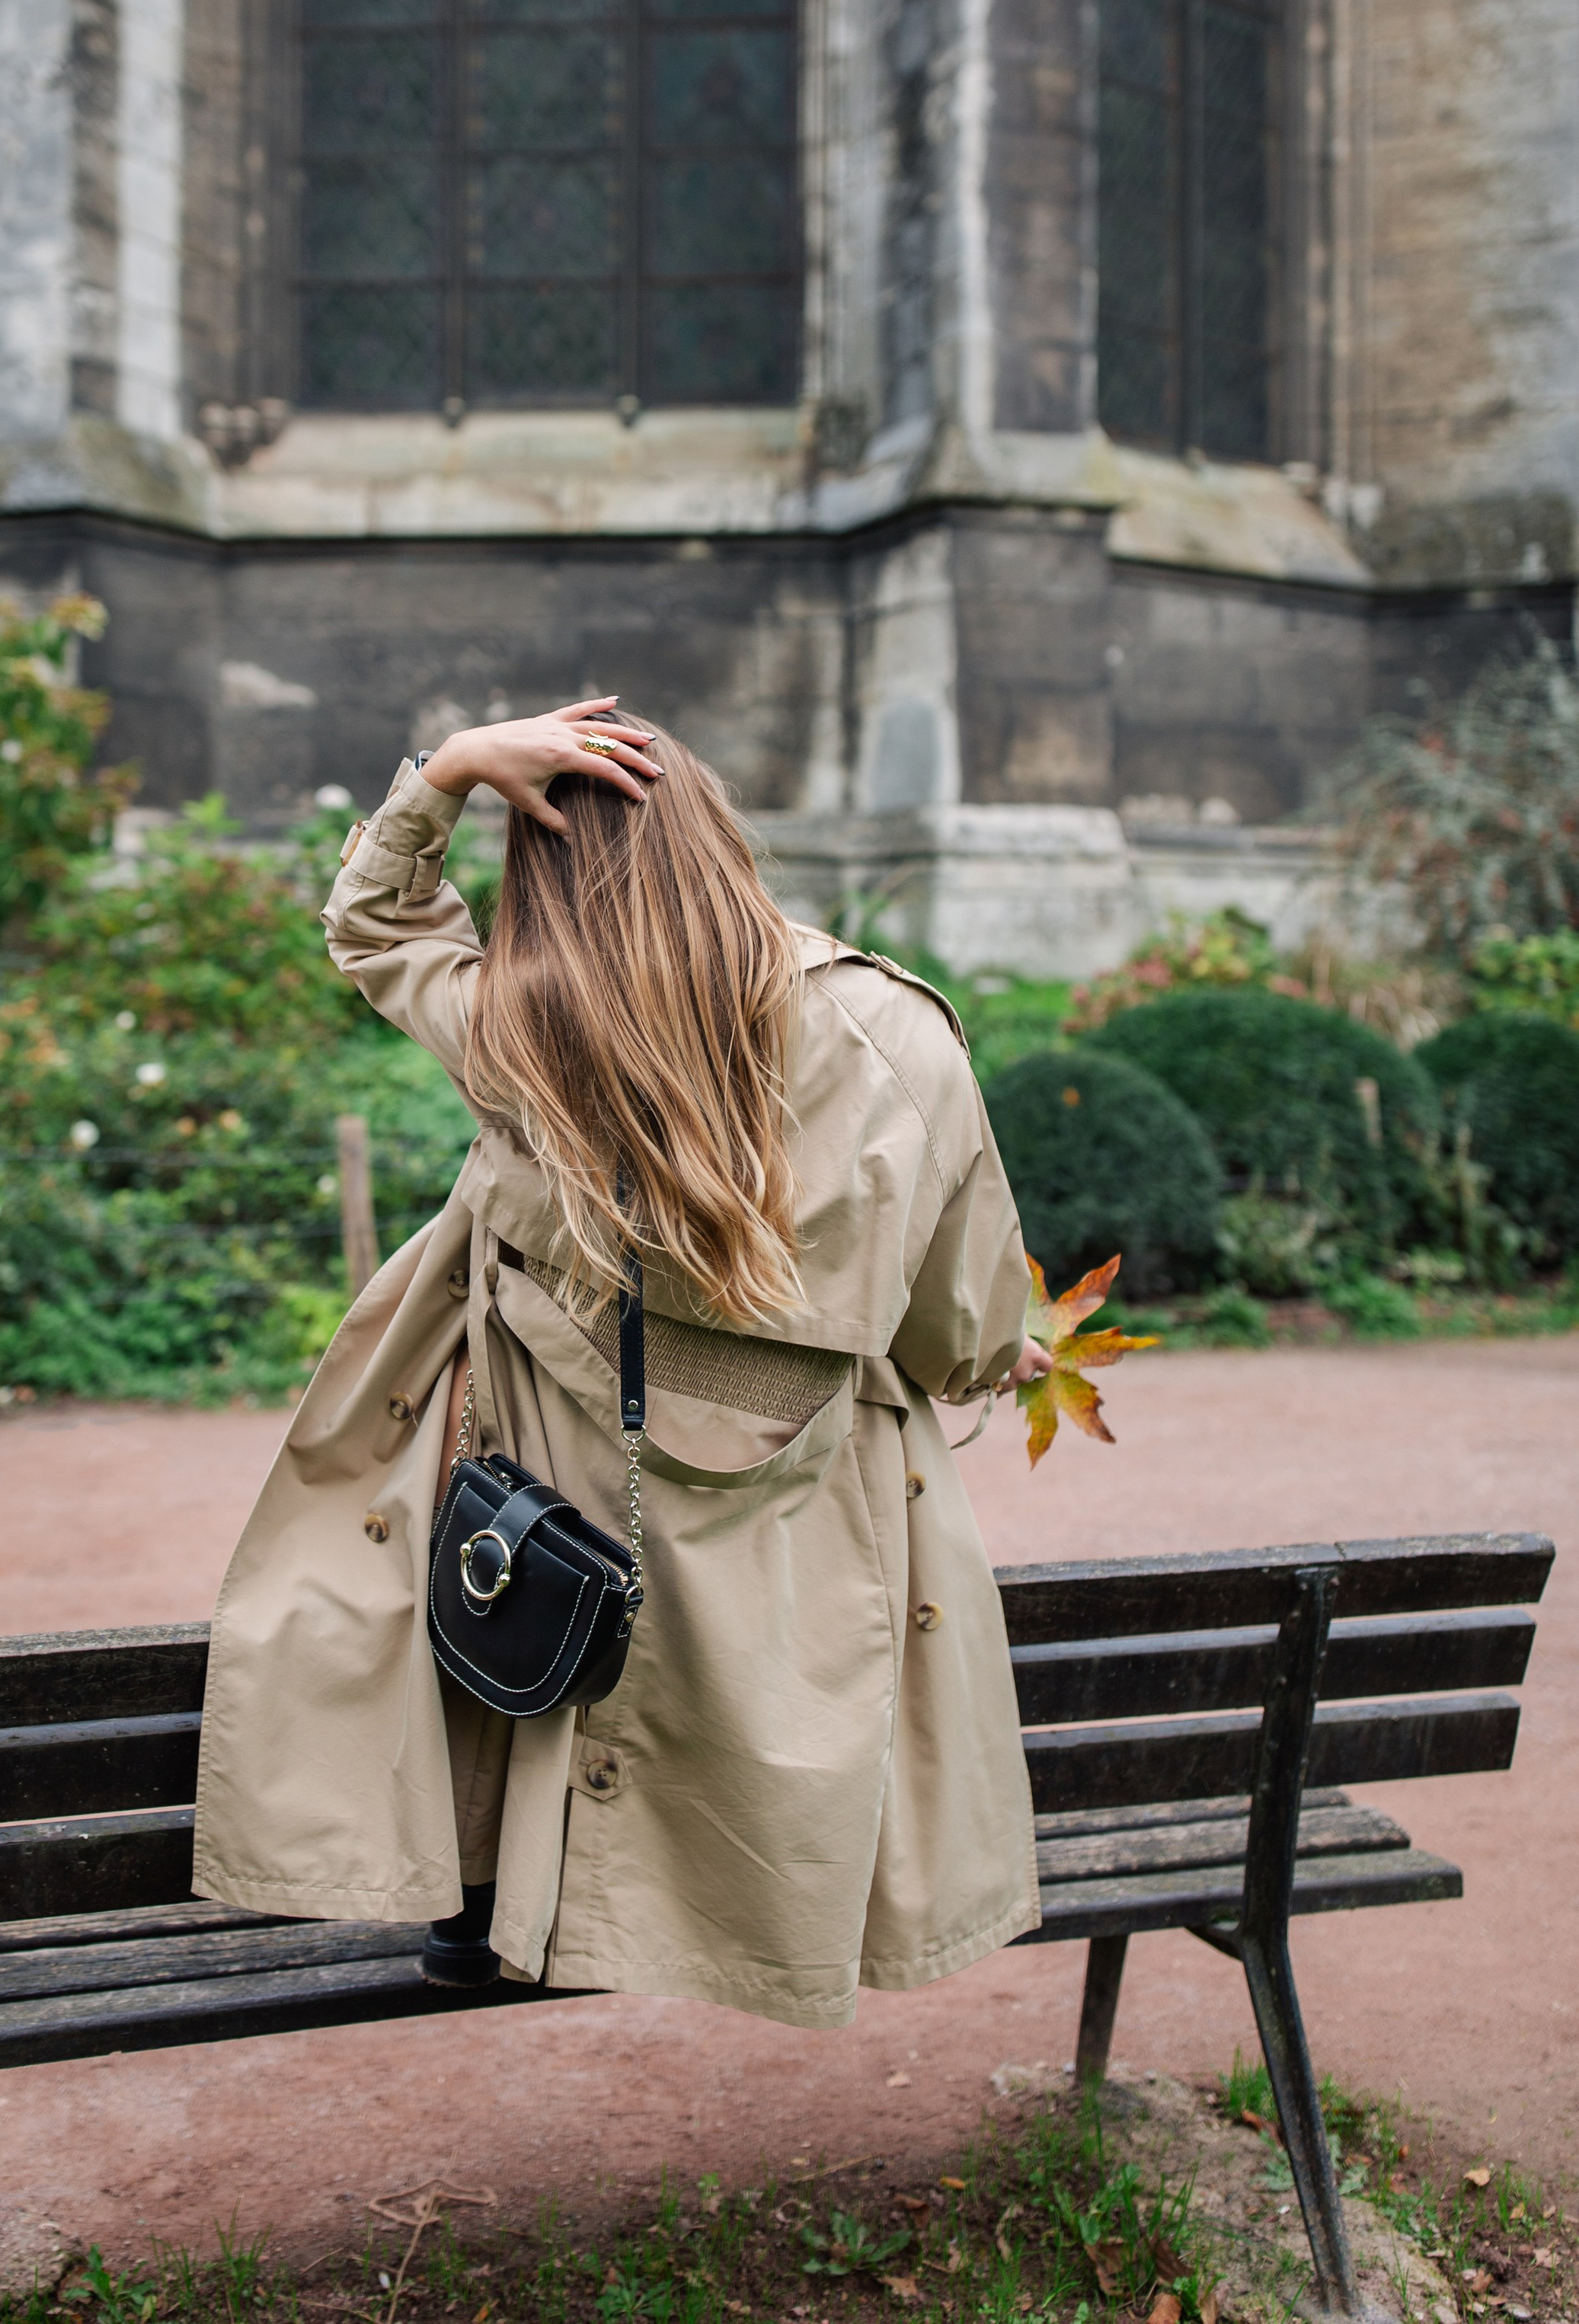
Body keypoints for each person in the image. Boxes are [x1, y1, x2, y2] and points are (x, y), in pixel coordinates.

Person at [193, 698, 1054, 2032]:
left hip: (569, 1509)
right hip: (804, 1516)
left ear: (539, 884)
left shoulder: (527, 1037)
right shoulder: (906, 1039)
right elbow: (957, 1330)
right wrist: (1001, 1350)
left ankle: (497, 1895)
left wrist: (452, 772)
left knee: (474, 1503)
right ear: (722, 845)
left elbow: (376, 927)